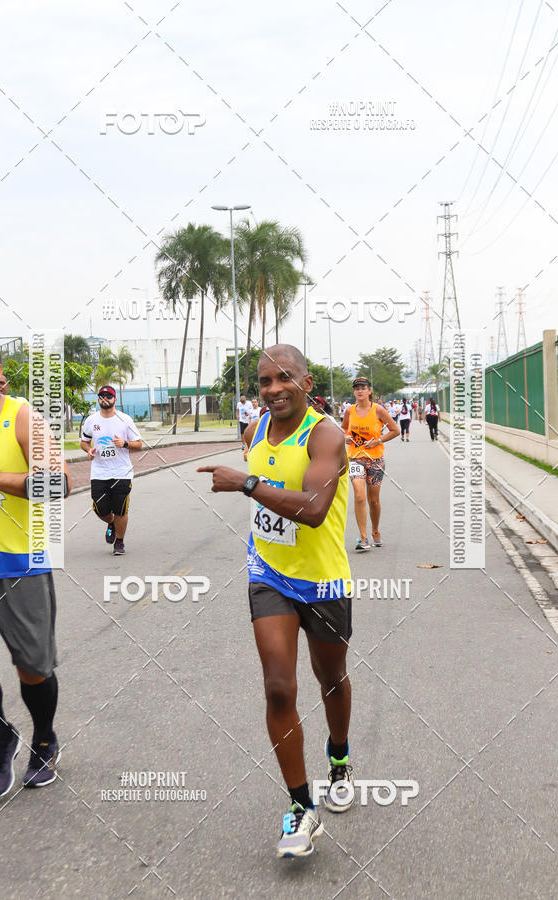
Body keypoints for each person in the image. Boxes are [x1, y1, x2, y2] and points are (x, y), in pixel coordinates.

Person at [199, 344, 353, 859]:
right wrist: (254, 482)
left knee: (330, 679)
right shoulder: (253, 433)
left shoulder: (326, 435)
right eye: (264, 382)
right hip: (269, 576)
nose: (273, 389)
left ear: (307, 383)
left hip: (325, 581)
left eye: (284, 378)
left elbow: (312, 509)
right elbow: (272, 502)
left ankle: (339, 757)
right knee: (278, 688)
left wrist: (247, 483)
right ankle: (300, 807)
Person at [0, 330, 70, 798]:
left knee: (33, 667)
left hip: (23, 564)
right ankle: (1, 736)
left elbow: (60, 483)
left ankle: (44, 739)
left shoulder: (23, 417)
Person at [80, 386, 143, 555]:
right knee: (99, 508)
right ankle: (111, 523)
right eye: (101, 396)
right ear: (98, 399)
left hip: (122, 472)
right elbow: (84, 441)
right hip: (99, 472)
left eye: (109, 396)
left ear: (115, 399)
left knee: (120, 509)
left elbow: (139, 444)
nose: (105, 398)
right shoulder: (91, 420)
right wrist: (88, 450)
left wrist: (125, 444)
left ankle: (120, 541)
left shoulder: (125, 420)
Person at [342, 377, 399, 551]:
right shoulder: (349, 411)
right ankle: (363, 537)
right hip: (355, 458)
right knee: (359, 495)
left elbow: (395, 430)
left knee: (373, 501)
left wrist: (378, 441)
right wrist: (345, 437)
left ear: (369, 391)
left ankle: (375, 531)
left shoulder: (378, 410)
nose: (360, 391)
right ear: (354, 392)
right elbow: (343, 428)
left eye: (363, 388)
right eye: (357, 388)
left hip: (375, 460)